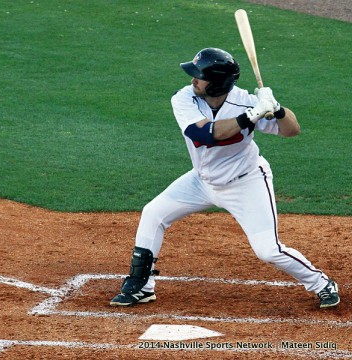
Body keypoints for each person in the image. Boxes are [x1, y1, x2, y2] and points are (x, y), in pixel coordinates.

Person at [110, 47, 339, 309]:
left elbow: (292, 131)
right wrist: (251, 116)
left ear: (217, 83)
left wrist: (277, 110)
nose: (193, 79)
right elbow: (206, 135)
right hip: (201, 181)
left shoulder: (246, 102)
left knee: (268, 250)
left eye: (200, 76)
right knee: (153, 214)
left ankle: (322, 283)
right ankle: (142, 285)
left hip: (246, 182)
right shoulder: (185, 98)